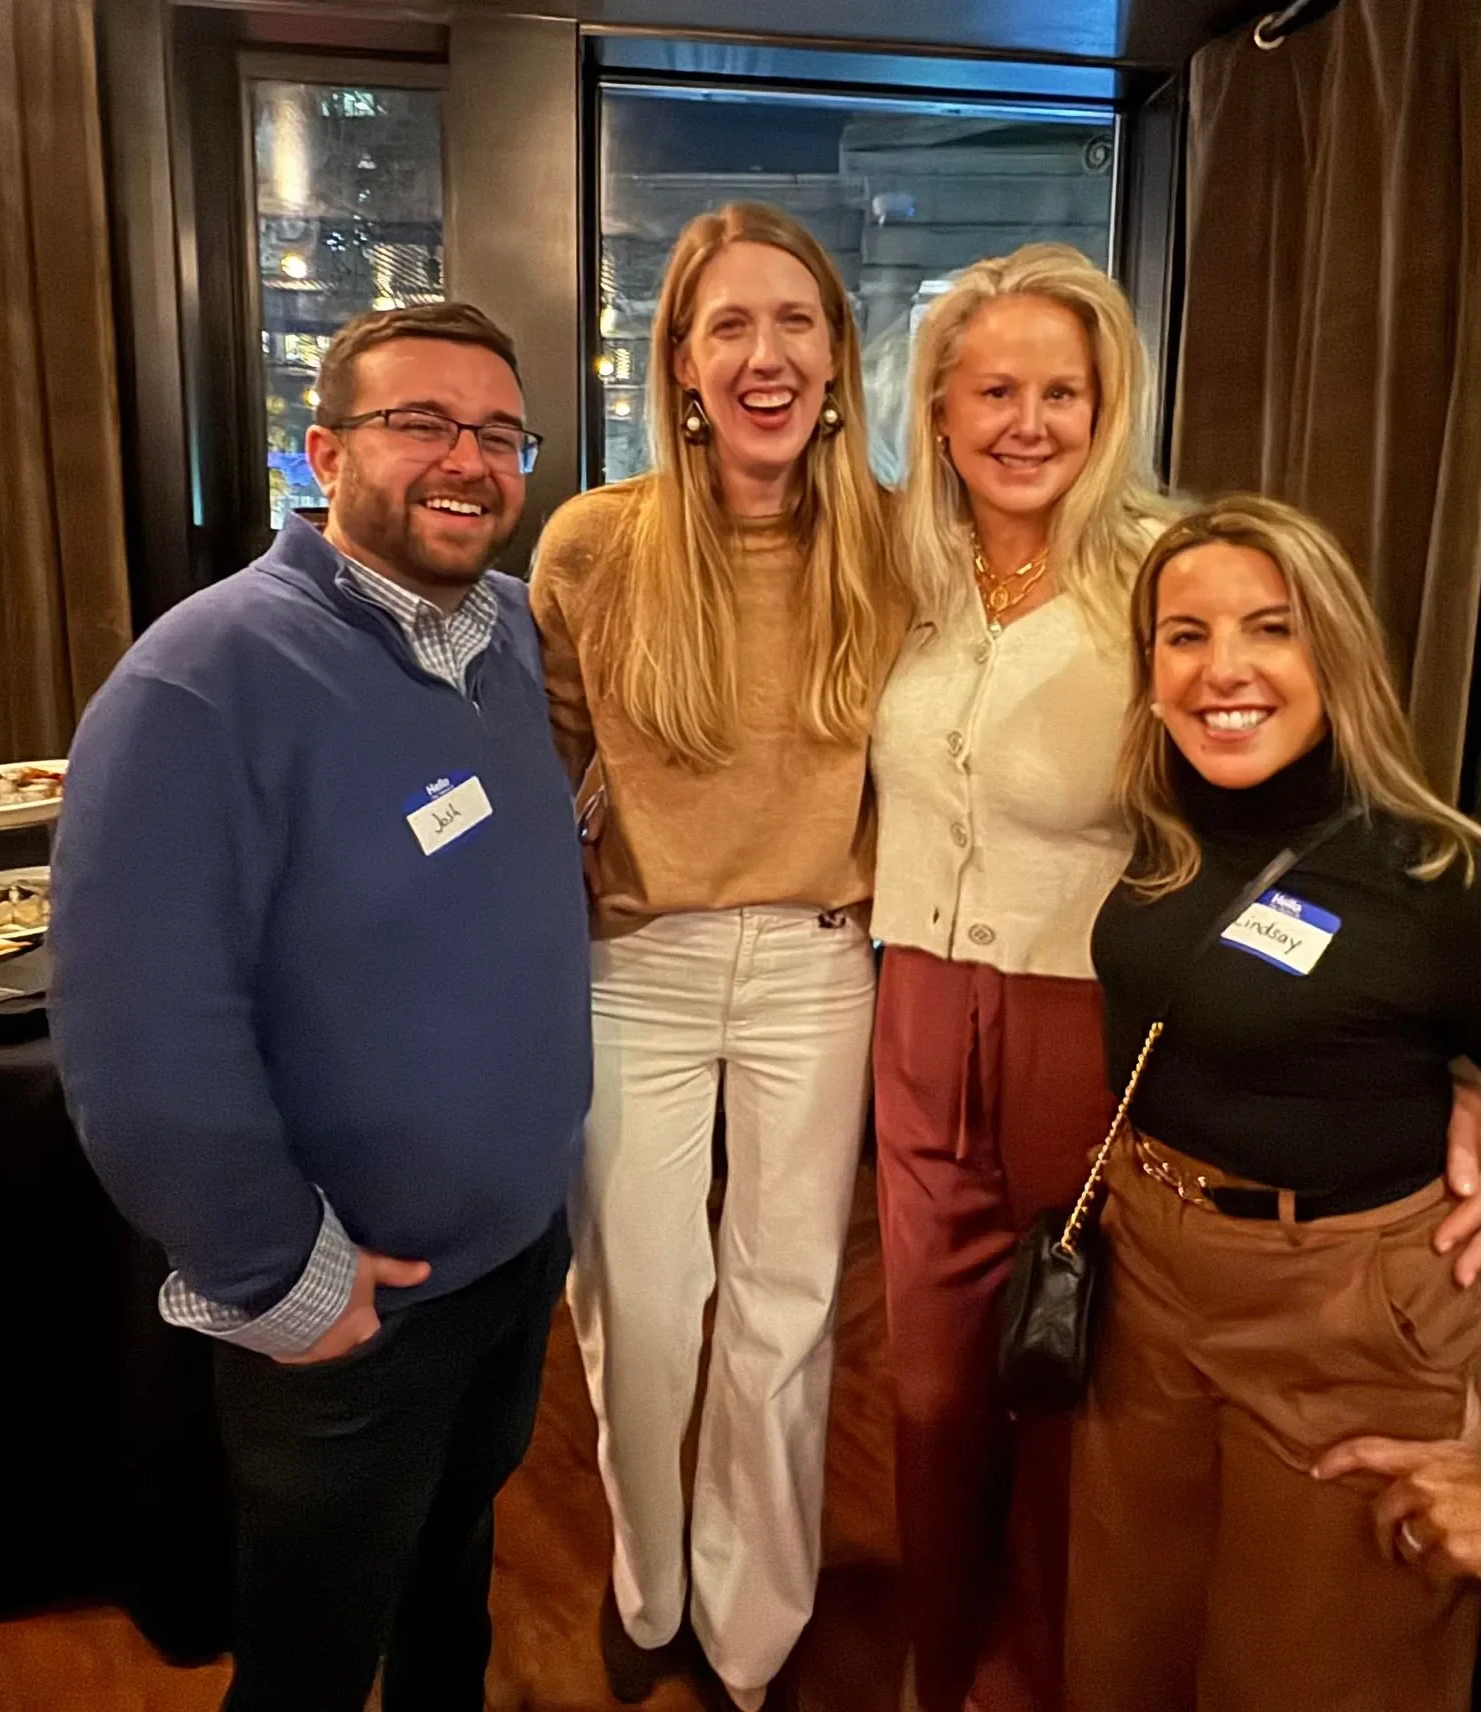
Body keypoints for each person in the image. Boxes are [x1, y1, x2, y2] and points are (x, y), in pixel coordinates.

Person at [867, 246, 1481, 1712]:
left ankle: (1042, 1671)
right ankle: (943, 1653)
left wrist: (1457, 1065)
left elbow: (1339, 817)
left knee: (1072, 1369)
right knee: (931, 1384)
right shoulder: (898, 573)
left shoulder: (1171, 577)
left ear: (1109, 405)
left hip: (1097, 1026)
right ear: (941, 407)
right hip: (913, 1012)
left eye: (1062, 391)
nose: (1027, 422)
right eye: (993, 390)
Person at [1068, 494, 1481, 1711]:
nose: (1223, 669)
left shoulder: (1452, 889)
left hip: (1341, 1324)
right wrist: (1462, 1081)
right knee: (1121, 1656)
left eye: (1271, 628)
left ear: (1337, 654)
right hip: (1146, 1289)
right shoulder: (1165, 834)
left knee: (1313, 1679)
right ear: (1148, 671)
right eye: (1185, 634)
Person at [51, 302, 590, 1712]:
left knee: (449, 1590)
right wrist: (280, 1276)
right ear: (326, 451)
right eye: (422, 423)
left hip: (509, 1263)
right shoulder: (202, 680)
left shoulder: (512, 634)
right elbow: (137, 1041)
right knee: (311, 1655)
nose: (466, 458)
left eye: (498, 433)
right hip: (355, 1303)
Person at [530, 202, 904, 1712]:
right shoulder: (594, 544)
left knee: (786, 1307)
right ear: (680, 361)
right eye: (729, 324)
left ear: (837, 352)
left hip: (819, 959)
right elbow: (554, 756)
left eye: (795, 320)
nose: (766, 354)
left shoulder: (896, 545)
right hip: (641, 964)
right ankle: (650, 1580)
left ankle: (755, 1624)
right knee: (639, 1302)